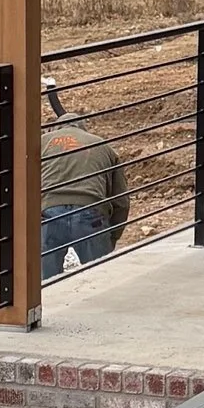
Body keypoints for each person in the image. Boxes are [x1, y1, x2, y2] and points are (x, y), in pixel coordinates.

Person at [39, 81, 130, 280]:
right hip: (91, 213)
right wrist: (111, 237)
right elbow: (121, 200)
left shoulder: (41, 143)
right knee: (100, 278)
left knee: (46, 285)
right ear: (84, 129)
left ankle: (52, 308)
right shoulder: (103, 146)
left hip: (49, 214)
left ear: (55, 128)